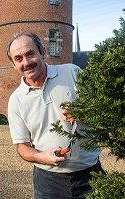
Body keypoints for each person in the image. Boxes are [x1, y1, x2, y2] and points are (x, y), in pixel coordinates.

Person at [7, 32, 104, 199]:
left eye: (30, 54)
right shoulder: (16, 100)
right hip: (48, 183)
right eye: (18, 58)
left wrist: (82, 112)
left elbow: (102, 110)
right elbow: (22, 147)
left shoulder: (72, 73)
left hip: (91, 176)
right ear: (14, 65)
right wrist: (41, 157)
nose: (26, 63)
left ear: (43, 52)